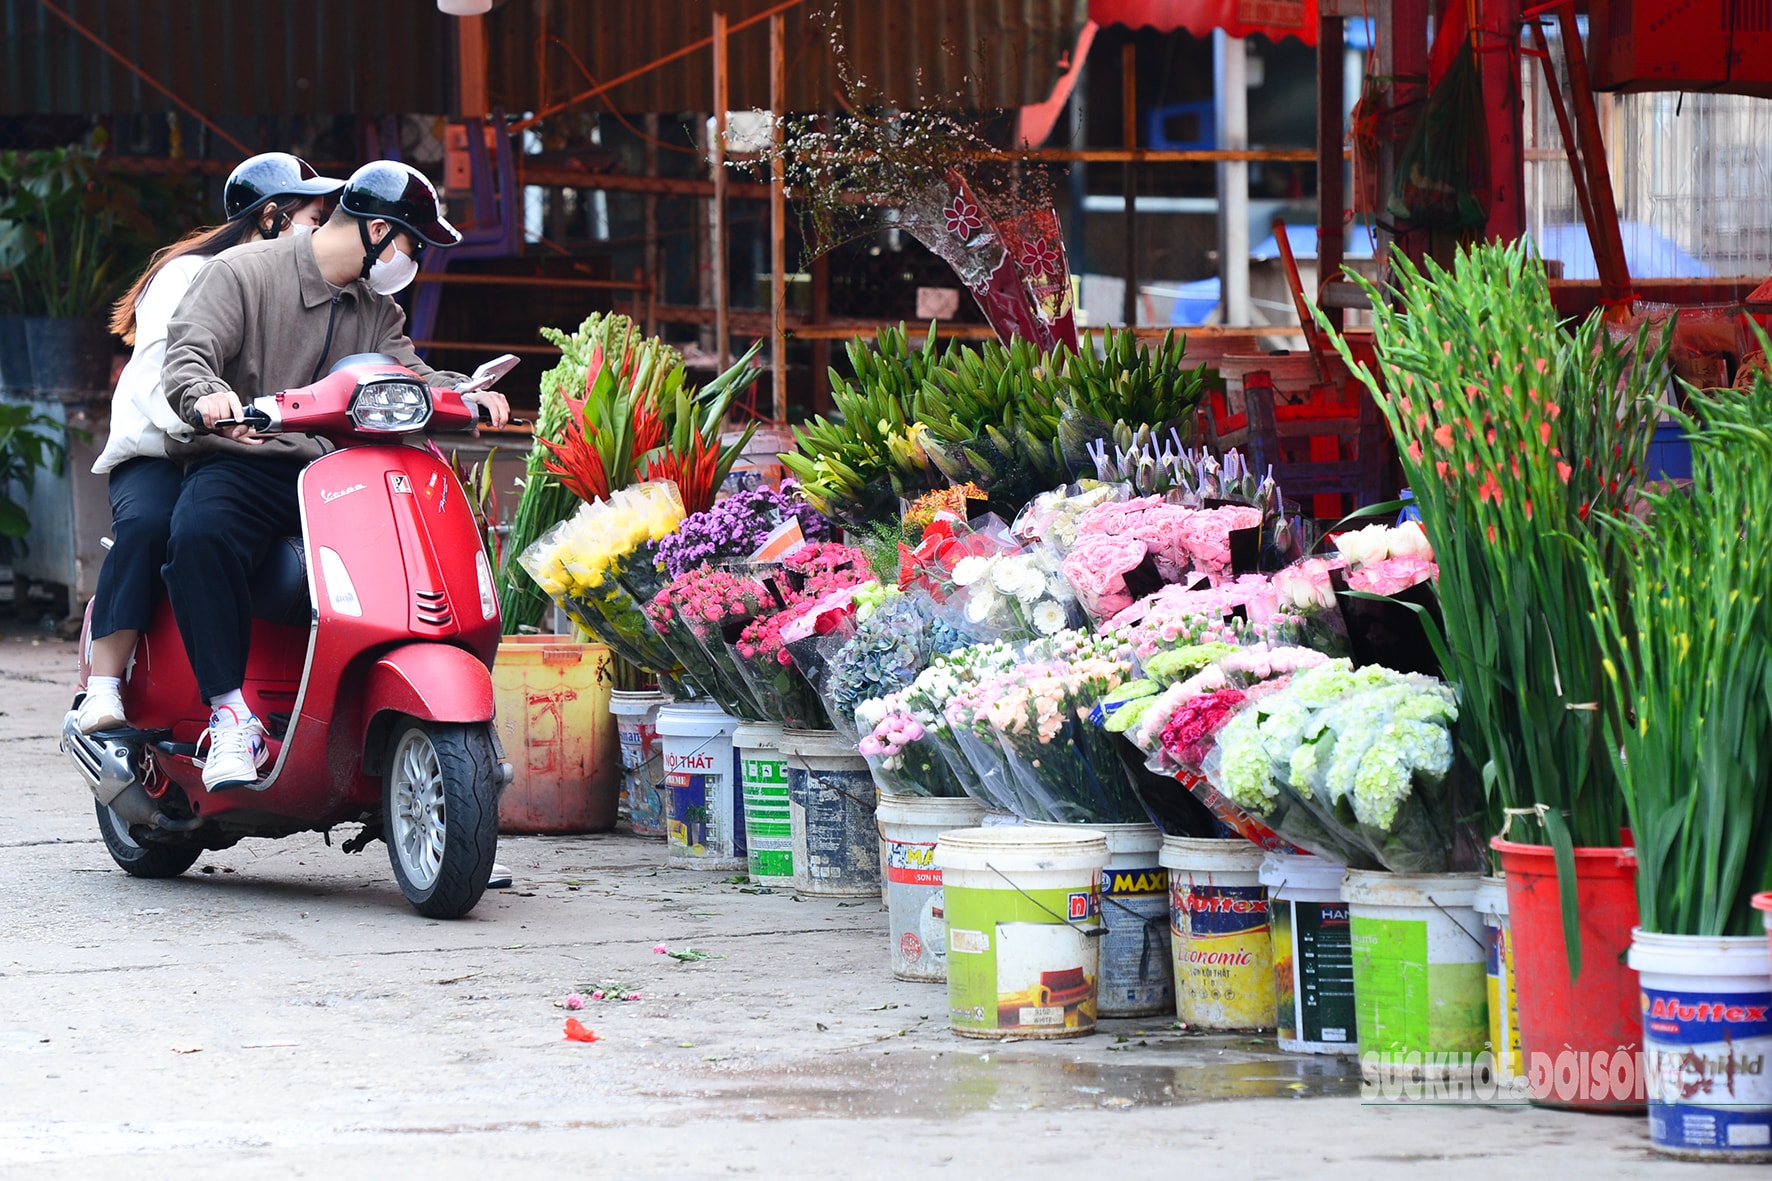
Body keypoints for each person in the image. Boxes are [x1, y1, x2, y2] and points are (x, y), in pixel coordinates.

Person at [159, 160, 509, 791]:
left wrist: (464, 392)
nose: (414, 260)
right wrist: (206, 395)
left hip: (339, 475)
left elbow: (411, 374)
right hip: (248, 462)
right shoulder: (242, 273)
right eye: (412, 244)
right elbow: (189, 351)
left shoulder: (378, 312)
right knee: (200, 534)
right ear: (377, 230)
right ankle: (229, 714)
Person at [75, 153, 345, 734]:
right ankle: (105, 685)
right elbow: (155, 382)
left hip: (238, 451)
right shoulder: (189, 275)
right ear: (272, 216)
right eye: (312, 217)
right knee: (155, 527)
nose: (319, 232)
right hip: (160, 452)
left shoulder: (301, 284)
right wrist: (205, 416)